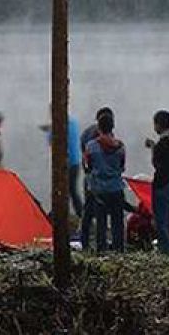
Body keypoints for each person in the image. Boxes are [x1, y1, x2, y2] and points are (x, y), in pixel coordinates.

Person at [84, 111, 126, 251]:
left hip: (99, 190)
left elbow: (88, 166)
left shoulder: (91, 146)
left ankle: (101, 251)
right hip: (116, 189)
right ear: (112, 127)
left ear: (98, 128)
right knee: (117, 223)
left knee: (101, 223)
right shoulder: (120, 147)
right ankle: (119, 250)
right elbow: (122, 167)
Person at [147, 110, 169, 254]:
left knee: (161, 223)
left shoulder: (162, 143)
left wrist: (153, 149)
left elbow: (156, 163)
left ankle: (167, 253)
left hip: (163, 185)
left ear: (159, 125)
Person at [78, 107, 112, 249]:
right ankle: (100, 243)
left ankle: (85, 241)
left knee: (88, 209)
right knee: (99, 211)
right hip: (99, 180)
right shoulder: (99, 138)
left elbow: (84, 156)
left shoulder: (86, 133)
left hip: (89, 177)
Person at [40, 110, 84, 216]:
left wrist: (50, 130)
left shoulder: (55, 127)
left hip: (65, 163)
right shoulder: (74, 122)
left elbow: (52, 142)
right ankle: (80, 215)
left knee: (63, 190)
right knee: (71, 190)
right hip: (76, 161)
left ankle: (60, 215)